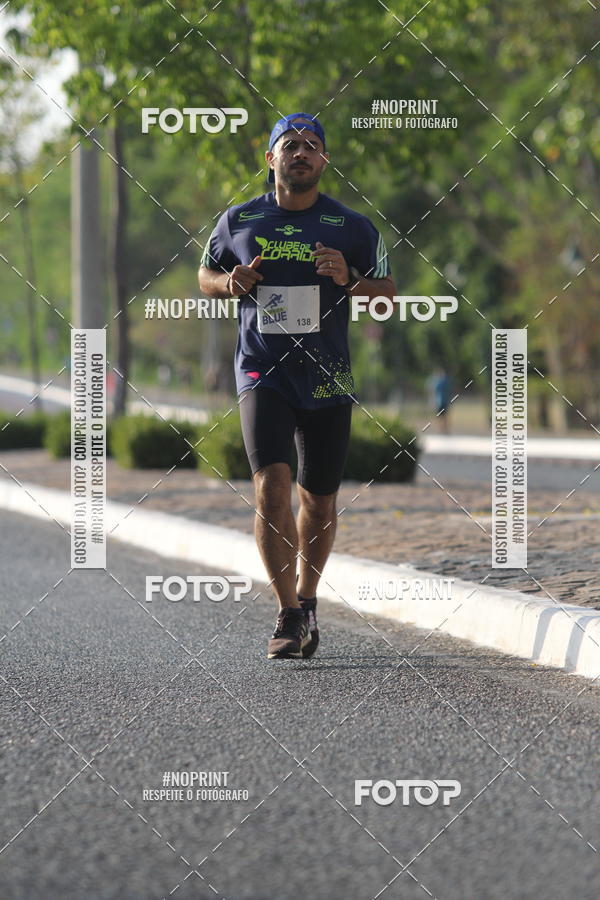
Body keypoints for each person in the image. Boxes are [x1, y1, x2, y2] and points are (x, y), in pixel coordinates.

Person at [198, 112, 396, 659]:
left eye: (312, 145)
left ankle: (307, 600)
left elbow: (387, 294)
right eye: (291, 145)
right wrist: (228, 282)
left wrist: (349, 280)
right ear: (271, 159)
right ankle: (287, 612)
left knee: (320, 501)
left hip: (327, 374)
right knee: (271, 485)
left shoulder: (353, 227)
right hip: (262, 369)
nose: (301, 153)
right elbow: (205, 275)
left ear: (324, 159)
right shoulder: (238, 220)